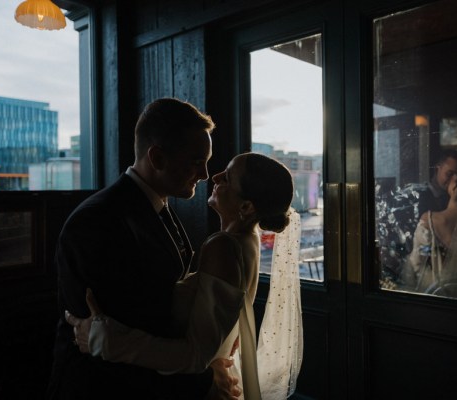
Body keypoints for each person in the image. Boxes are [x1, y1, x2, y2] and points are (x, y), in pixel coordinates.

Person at [47, 98, 242, 399]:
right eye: (195, 161)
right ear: (158, 158)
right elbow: (108, 345)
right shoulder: (96, 223)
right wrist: (201, 381)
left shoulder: (158, 205)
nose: (204, 174)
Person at [66, 152, 302, 400]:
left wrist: (106, 340)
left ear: (246, 207)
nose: (215, 176)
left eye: (228, 178)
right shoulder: (248, 241)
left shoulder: (222, 246)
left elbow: (195, 355)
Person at [401, 169, 457, 300]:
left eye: (455, 179)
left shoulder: (429, 221)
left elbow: (417, 262)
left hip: (431, 296)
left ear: (455, 190)